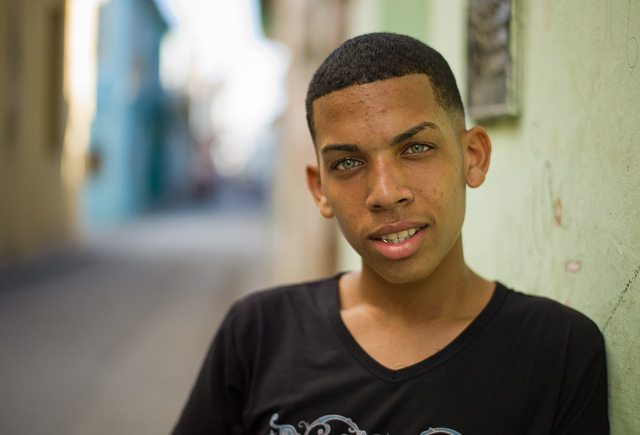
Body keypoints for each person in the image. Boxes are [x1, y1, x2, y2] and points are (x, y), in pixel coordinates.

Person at [172, 33, 609, 435]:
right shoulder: (258, 333)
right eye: (347, 162)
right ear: (319, 189)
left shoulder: (558, 352)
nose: (385, 193)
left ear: (472, 157)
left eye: (415, 148)